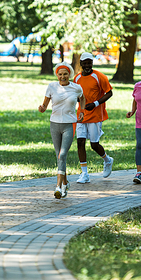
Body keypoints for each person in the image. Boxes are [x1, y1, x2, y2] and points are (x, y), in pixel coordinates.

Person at [39, 62, 86, 199]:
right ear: (57, 75)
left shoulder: (76, 88)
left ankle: (58, 187)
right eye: (60, 74)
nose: (62, 76)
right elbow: (45, 105)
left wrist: (81, 111)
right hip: (54, 124)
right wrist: (41, 108)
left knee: (62, 154)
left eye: (65, 74)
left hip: (69, 124)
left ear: (69, 74)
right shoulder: (52, 86)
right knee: (59, 156)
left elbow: (82, 99)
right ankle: (65, 183)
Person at [73, 52, 114, 183]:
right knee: (80, 142)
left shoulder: (99, 76)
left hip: (96, 115)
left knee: (94, 144)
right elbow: (76, 95)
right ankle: (84, 174)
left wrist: (96, 103)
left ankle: (107, 160)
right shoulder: (77, 78)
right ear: (80, 64)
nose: (87, 65)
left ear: (92, 62)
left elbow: (109, 92)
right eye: (84, 63)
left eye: (89, 63)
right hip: (81, 115)